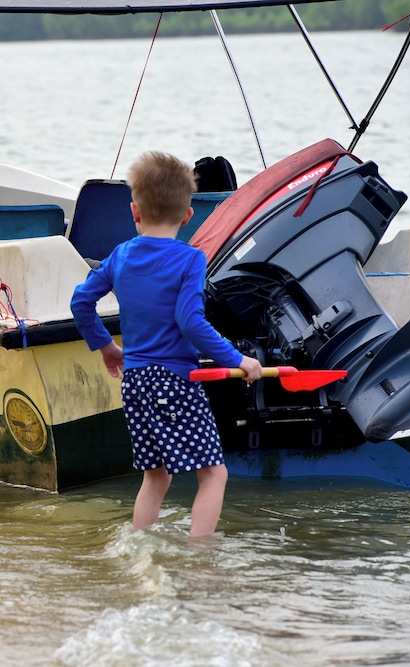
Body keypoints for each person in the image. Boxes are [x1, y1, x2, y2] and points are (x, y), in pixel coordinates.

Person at [70, 151, 263, 537]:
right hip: (173, 381)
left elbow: (81, 301)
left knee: (155, 477)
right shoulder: (191, 259)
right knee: (213, 473)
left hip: (135, 383)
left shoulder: (120, 256)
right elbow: (190, 321)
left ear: (134, 210)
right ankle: (199, 555)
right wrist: (238, 358)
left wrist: (107, 347)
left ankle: (142, 543)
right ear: (189, 215)